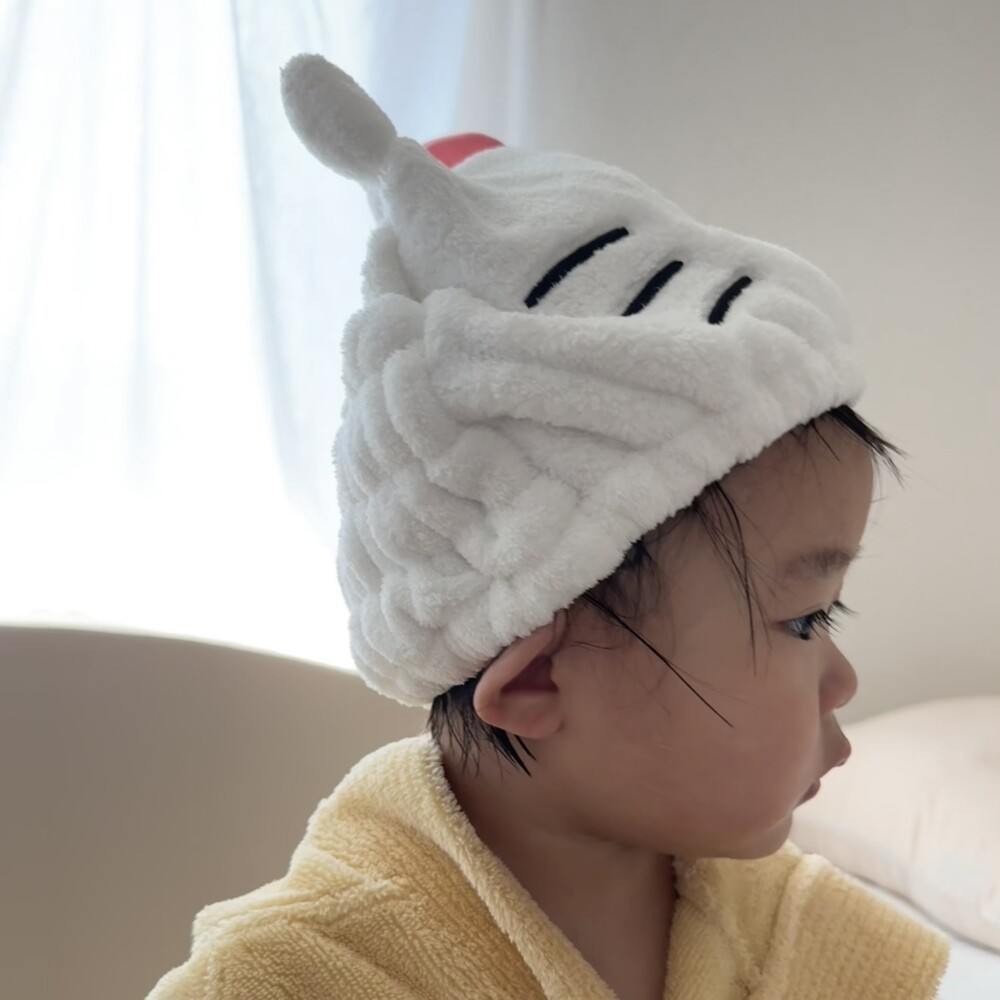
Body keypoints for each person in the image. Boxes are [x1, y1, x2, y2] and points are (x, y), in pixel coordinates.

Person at [147, 54, 950, 1000]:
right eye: (805, 619)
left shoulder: (801, 942)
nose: (843, 678)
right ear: (536, 680)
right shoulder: (290, 980)